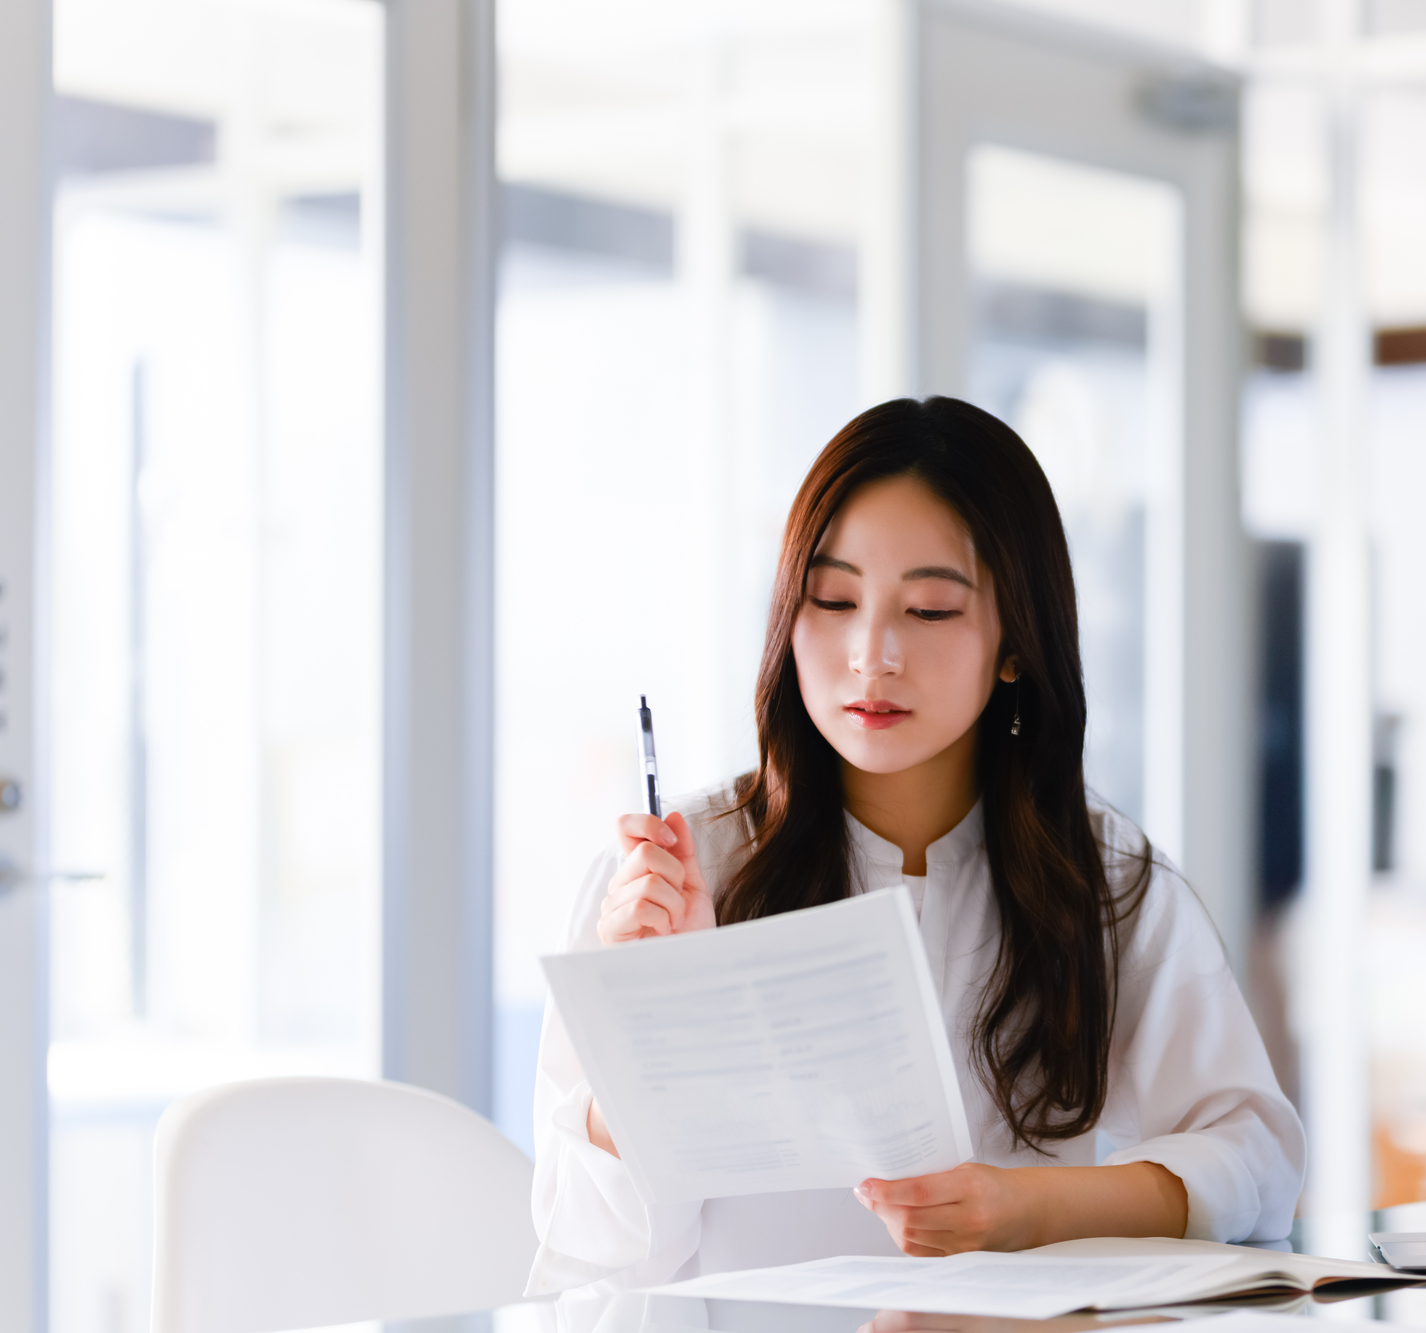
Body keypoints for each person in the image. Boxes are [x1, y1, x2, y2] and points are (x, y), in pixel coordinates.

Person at [527, 397, 1305, 1293]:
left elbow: (1259, 1161)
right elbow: (583, 1267)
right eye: (833, 598)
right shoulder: (673, 877)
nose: (872, 652)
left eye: (930, 608)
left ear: (1015, 642)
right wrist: (646, 1040)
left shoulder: (1103, 882)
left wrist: (1029, 1210)